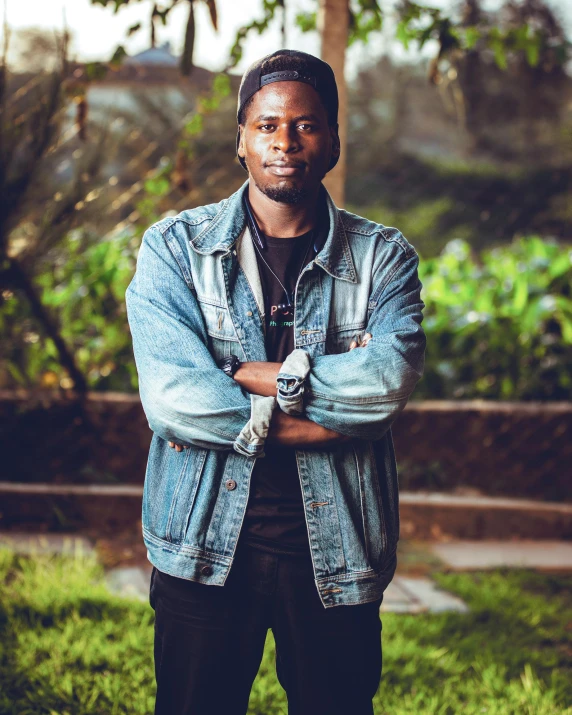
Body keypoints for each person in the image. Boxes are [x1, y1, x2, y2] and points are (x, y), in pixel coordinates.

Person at [125, 49, 426, 715]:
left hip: (337, 548)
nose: (285, 142)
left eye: (306, 124)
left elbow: (387, 380)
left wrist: (252, 378)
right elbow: (175, 401)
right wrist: (323, 413)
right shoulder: (175, 248)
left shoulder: (383, 259)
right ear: (241, 138)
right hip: (203, 544)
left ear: (334, 138)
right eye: (267, 125)